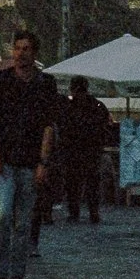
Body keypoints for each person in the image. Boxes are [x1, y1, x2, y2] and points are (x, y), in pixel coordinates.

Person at [0, 30, 58, 279]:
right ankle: (1, 274)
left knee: (23, 223)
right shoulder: (1, 82)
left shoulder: (46, 84)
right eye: (17, 48)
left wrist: (43, 162)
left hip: (29, 162)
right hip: (7, 162)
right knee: (2, 215)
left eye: (26, 48)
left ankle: (17, 278)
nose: (21, 53)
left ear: (34, 53)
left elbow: (48, 125)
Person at [58, 77, 112, 224]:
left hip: (76, 150)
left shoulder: (69, 107)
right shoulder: (97, 105)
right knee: (90, 183)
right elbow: (105, 128)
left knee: (74, 183)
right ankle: (92, 213)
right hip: (90, 150)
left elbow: (63, 127)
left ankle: (76, 213)